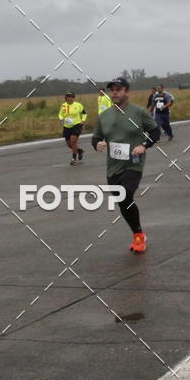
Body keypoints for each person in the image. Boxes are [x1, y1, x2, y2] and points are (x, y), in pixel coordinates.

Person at [92, 76, 160, 253]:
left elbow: (155, 130)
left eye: (119, 89)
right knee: (122, 202)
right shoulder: (104, 116)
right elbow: (96, 137)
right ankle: (138, 233)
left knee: (126, 195)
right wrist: (97, 144)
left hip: (133, 164)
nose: (114, 92)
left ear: (127, 92)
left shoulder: (137, 112)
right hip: (113, 166)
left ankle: (138, 237)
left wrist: (143, 145)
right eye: (112, 89)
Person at [58, 92, 87, 165]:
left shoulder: (78, 105)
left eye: (71, 97)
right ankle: (80, 151)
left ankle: (74, 158)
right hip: (67, 126)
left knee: (73, 141)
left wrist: (83, 120)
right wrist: (61, 119)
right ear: (66, 98)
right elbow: (61, 114)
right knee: (69, 144)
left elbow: (84, 113)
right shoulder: (63, 105)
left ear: (74, 98)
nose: (70, 98)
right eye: (68, 97)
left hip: (76, 125)